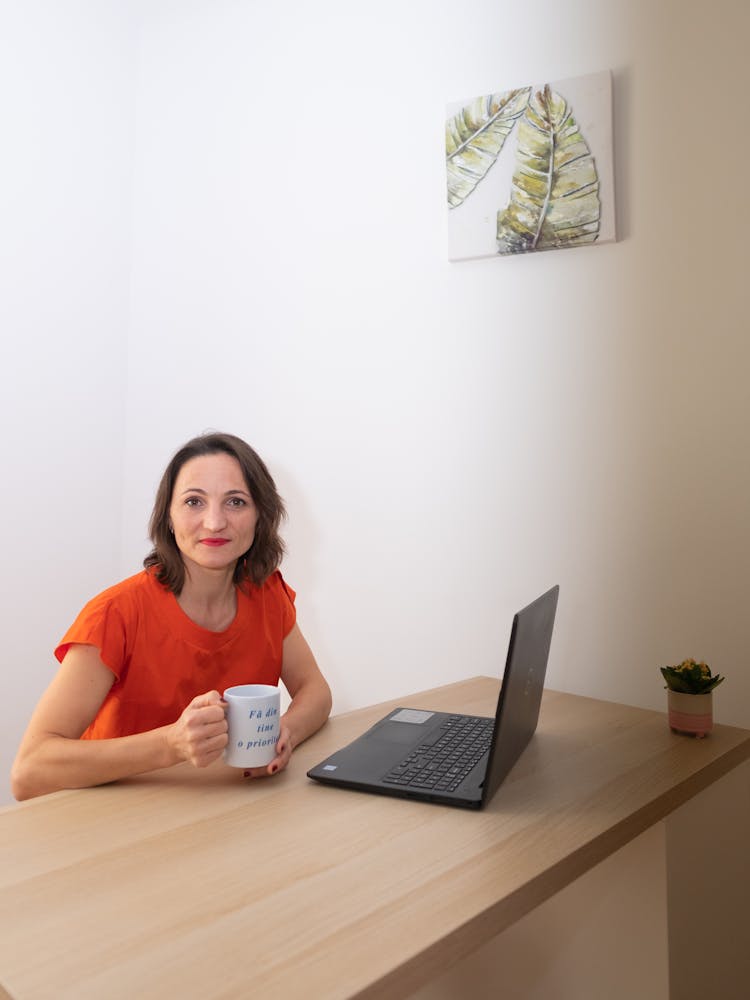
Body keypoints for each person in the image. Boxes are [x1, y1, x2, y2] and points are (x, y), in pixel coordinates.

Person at [11, 432, 332, 800]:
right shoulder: (114, 614)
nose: (214, 522)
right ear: (168, 516)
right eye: (194, 501)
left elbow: (316, 692)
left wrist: (285, 732)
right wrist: (171, 744)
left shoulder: (268, 594)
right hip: (113, 819)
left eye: (236, 502)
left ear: (261, 517)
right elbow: (29, 771)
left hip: (225, 810)